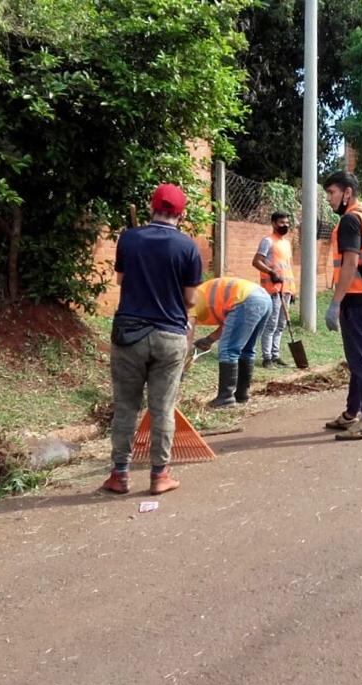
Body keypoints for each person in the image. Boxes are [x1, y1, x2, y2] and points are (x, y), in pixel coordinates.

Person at [103, 184, 202, 496]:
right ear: (181, 214)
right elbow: (190, 299)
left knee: (125, 408)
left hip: (129, 334)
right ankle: (159, 476)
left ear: (151, 207)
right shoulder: (188, 247)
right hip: (170, 336)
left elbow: (120, 279)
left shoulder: (129, 238)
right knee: (162, 408)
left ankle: (119, 475)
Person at [322, 171, 362, 440]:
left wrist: (336, 303)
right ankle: (351, 413)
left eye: (332, 193)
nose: (329, 199)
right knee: (360, 361)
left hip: (357, 301)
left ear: (347, 192)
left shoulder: (350, 219)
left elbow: (349, 263)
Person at [191, 277, 273, 406]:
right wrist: (209, 339)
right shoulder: (201, 295)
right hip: (263, 298)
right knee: (247, 349)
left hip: (245, 300)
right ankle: (241, 395)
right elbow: (231, 323)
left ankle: (225, 398)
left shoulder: (187, 303)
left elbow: (186, 332)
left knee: (228, 350)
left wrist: (182, 353)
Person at [252, 211, 296, 368]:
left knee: (281, 325)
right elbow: (256, 262)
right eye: (281, 223)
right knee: (271, 324)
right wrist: (271, 272)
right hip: (272, 289)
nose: (285, 225)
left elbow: (287, 267)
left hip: (286, 289)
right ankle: (267, 358)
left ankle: (276, 355)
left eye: (287, 223)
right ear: (273, 223)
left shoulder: (286, 243)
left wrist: (293, 291)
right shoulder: (267, 241)